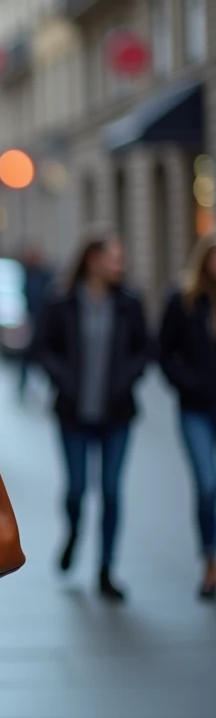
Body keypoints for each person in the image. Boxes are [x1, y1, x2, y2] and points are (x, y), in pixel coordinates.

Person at [32, 231, 149, 602]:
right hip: (73, 412)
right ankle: (74, 532)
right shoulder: (62, 300)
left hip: (117, 413)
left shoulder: (129, 302)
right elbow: (42, 347)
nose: (119, 264)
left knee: (111, 491)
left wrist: (126, 378)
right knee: (77, 489)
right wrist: (64, 380)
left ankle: (106, 569)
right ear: (93, 260)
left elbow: (144, 348)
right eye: (114, 257)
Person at [157, 233, 216, 601]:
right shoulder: (183, 300)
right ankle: (210, 560)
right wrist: (186, 383)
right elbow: (163, 350)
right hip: (195, 408)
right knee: (207, 485)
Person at [18, 245, 54, 399]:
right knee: (26, 358)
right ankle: (22, 386)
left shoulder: (46, 275)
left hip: (42, 322)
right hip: (31, 321)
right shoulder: (26, 274)